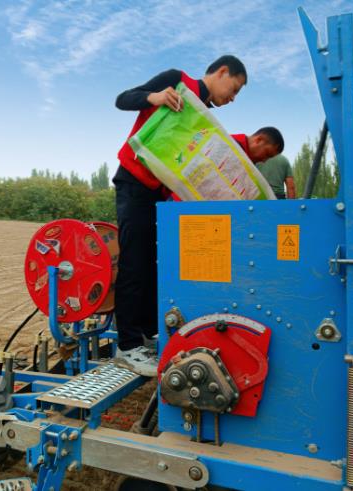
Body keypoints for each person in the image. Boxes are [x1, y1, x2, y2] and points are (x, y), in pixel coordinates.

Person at [113, 55, 248, 376]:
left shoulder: (204, 117)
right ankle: (127, 347)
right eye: (234, 88)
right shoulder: (177, 81)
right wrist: (155, 97)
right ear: (222, 72)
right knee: (133, 263)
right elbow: (122, 99)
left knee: (153, 265)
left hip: (158, 194)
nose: (233, 98)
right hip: (134, 183)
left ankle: (147, 334)